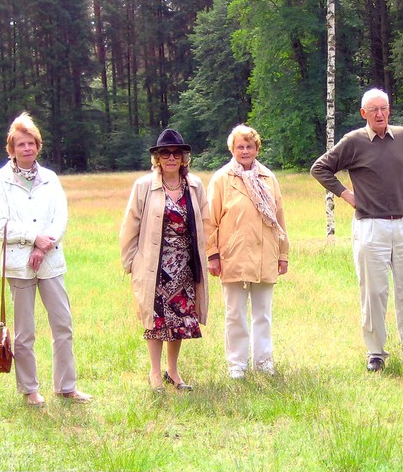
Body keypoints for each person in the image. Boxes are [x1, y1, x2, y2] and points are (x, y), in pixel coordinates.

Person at [310, 88, 403, 372]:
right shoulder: (353, 142)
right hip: (370, 226)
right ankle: (376, 352)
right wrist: (346, 194)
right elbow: (320, 168)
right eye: (374, 110)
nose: (380, 114)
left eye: (384, 108)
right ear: (363, 113)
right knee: (373, 292)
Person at [0, 112, 92, 407]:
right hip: (19, 265)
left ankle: (67, 386)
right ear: (11, 149)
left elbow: (61, 218)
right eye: (20, 144)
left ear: (38, 145)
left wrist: (43, 246)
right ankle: (29, 389)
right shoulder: (0, 181)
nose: (27, 149)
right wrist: (33, 238)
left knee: (63, 324)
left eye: (31, 143)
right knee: (24, 332)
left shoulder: (50, 178)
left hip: (51, 262)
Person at [119, 129, 209, 393]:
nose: (171, 158)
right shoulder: (144, 186)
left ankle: (173, 371)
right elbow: (130, 226)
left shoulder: (195, 186)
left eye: (176, 153)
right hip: (154, 265)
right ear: (157, 158)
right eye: (165, 153)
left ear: (184, 158)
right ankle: (155, 373)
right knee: (156, 320)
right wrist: (131, 262)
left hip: (185, 265)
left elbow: (206, 221)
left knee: (179, 320)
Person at [205, 125, 289, 379]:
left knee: (263, 314)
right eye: (240, 147)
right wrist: (212, 254)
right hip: (233, 256)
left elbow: (280, 219)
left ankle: (263, 361)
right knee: (235, 313)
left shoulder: (268, 177)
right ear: (232, 149)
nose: (244, 151)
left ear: (256, 149)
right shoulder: (221, 179)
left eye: (249, 146)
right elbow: (210, 221)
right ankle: (237, 364)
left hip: (265, 255)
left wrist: (283, 254)